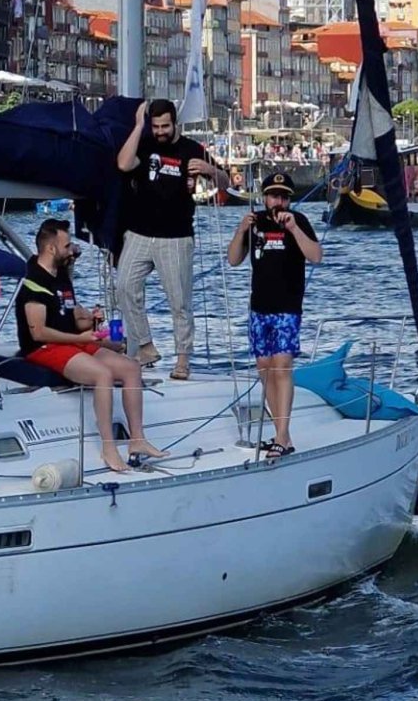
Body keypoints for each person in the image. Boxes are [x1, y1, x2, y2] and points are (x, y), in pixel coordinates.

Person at [16, 219, 164, 473]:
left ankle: (137, 439)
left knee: (130, 368)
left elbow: (71, 316)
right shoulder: (33, 282)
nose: (72, 250)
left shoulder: (61, 275)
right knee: (102, 374)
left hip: (71, 341)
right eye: (67, 246)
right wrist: (82, 339)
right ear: (51, 248)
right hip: (43, 348)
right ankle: (108, 447)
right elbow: (38, 332)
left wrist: (90, 321)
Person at [115, 98, 226, 380]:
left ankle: (182, 360)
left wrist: (211, 171)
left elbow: (227, 182)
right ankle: (145, 346)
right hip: (139, 232)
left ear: (175, 123)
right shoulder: (145, 143)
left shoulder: (191, 149)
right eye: (156, 126)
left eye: (165, 126)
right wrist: (139, 126)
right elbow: (124, 164)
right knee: (125, 287)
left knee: (179, 302)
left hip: (176, 237)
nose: (160, 132)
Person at [226, 172, 322, 458]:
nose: (278, 202)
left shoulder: (298, 221)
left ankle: (282, 435)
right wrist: (241, 231)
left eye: (283, 197)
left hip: (287, 306)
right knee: (265, 368)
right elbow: (233, 260)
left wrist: (294, 229)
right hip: (260, 307)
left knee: (282, 366)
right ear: (264, 198)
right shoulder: (255, 222)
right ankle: (283, 435)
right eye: (273, 196)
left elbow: (316, 256)